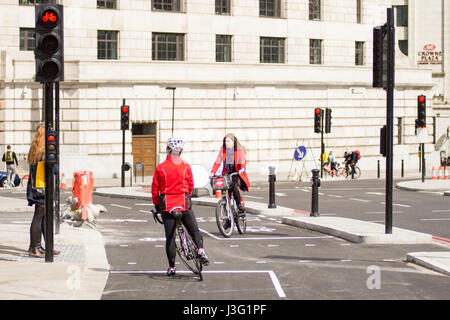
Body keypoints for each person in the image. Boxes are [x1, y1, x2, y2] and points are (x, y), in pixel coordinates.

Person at [151, 138, 209, 276]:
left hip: (167, 206)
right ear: (180, 151)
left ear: (168, 150)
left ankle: (172, 267)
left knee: (170, 238)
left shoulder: (161, 168)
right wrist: (186, 197)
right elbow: (190, 185)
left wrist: (157, 205)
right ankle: (200, 249)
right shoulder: (186, 166)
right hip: (183, 203)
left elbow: (155, 189)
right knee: (194, 230)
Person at [26, 125, 60, 258]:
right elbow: (55, 170)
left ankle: (42, 246)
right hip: (42, 188)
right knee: (39, 216)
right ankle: (34, 248)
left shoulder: (35, 151)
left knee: (43, 217)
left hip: (36, 187)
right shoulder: (45, 152)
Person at [210, 133, 250, 214]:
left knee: (233, 186)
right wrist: (212, 172)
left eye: (228, 141)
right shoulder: (223, 150)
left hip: (237, 173)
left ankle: (239, 205)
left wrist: (242, 168)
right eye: (225, 141)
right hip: (227, 172)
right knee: (224, 188)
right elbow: (217, 162)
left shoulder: (239, 150)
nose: (226, 143)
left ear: (233, 142)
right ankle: (228, 214)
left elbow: (242, 160)